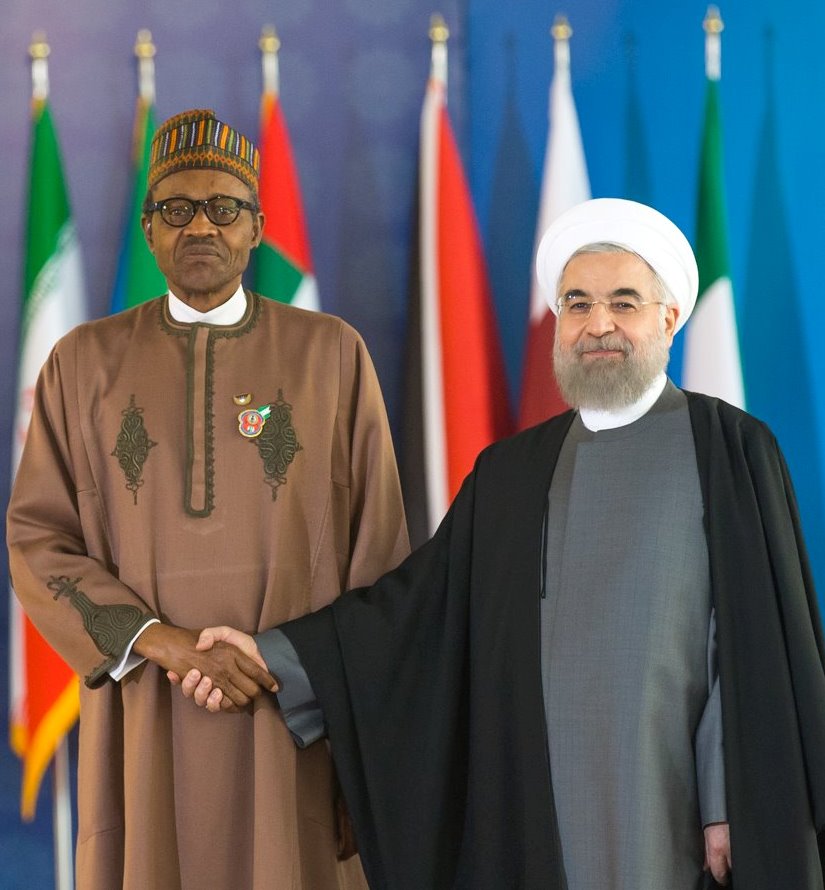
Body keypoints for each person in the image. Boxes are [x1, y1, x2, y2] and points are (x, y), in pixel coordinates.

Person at [182, 198, 825, 890]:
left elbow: (750, 645)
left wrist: (727, 802)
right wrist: (274, 655)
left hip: (673, 805)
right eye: (576, 304)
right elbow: (417, 611)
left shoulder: (728, 448)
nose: (597, 325)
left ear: (668, 319)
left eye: (623, 303)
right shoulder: (512, 471)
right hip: (531, 802)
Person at [6, 108, 409, 890]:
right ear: (149, 231)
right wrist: (160, 641)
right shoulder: (82, 363)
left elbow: (381, 560)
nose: (201, 226)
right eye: (176, 209)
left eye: (223, 208)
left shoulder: (332, 355)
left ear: (257, 228)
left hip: (298, 717)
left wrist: (292, 668)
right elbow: (38, 539)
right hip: (144, 713)